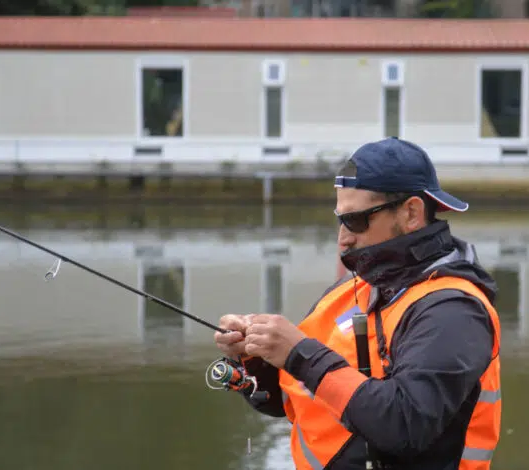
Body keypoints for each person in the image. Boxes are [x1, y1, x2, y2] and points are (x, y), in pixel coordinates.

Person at [214, 137, 502, 470]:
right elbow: (295, 396)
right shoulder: (352, 289)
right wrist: (255, 359)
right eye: (340, 220)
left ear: (411, 213)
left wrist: (299, 353)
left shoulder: (453, 311)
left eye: (355, 221)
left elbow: (405, 426)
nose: (343, 238)